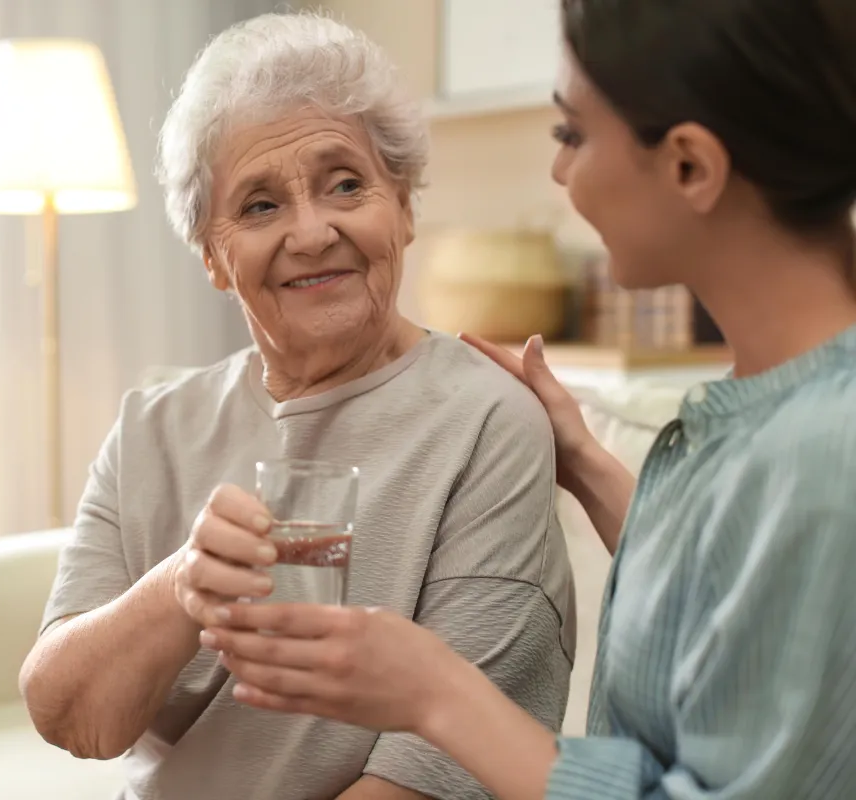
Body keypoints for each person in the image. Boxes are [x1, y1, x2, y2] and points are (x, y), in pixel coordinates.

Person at [198, 1, 856, 798]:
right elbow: (739, 594)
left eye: (572, 133)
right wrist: (582, 460)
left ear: (689, 165)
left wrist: (436, 691)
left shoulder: (827, 456)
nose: (558, 173)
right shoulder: (762, 415)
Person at [18, 11, 576, 800]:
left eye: (346, 184)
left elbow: (434, 776)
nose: (313, 232)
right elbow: (73, 717)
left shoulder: (486, 425)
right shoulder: (153, 428)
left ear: (405, 209)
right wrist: (184, 585)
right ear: (213, 256)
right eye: (259, 206)